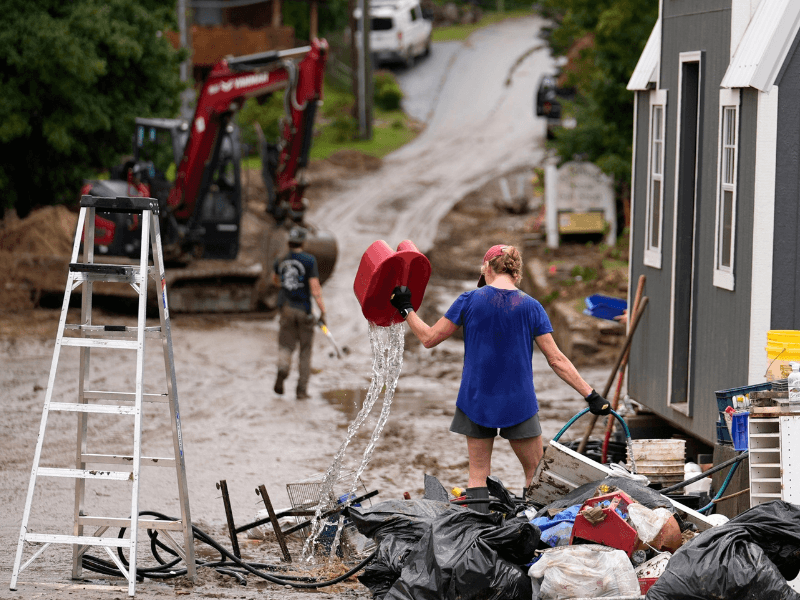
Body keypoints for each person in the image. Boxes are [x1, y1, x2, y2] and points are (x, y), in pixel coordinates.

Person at [389, 244, 609, 507]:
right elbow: (556, 359)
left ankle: (478, 535)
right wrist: (591, 395)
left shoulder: (469, 300)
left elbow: (428, 339)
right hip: (519, 402)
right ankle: (530, 529)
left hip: (476, 399)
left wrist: (406, 309)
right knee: (535, 473)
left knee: (478, 475)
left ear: (487, 268)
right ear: (516, 274)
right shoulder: (532, 307)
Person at [272, 227, 327, 400]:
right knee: (305, 350)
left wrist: (287, 285)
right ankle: (301, 390)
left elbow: (275, 280)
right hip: (304, 310)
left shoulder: (280, 259)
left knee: (286, 345)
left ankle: (282, 370)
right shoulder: (309, 260)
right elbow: (315, 288)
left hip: (287, 309)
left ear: (289, 241)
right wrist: (323, 311)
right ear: (303, 242)